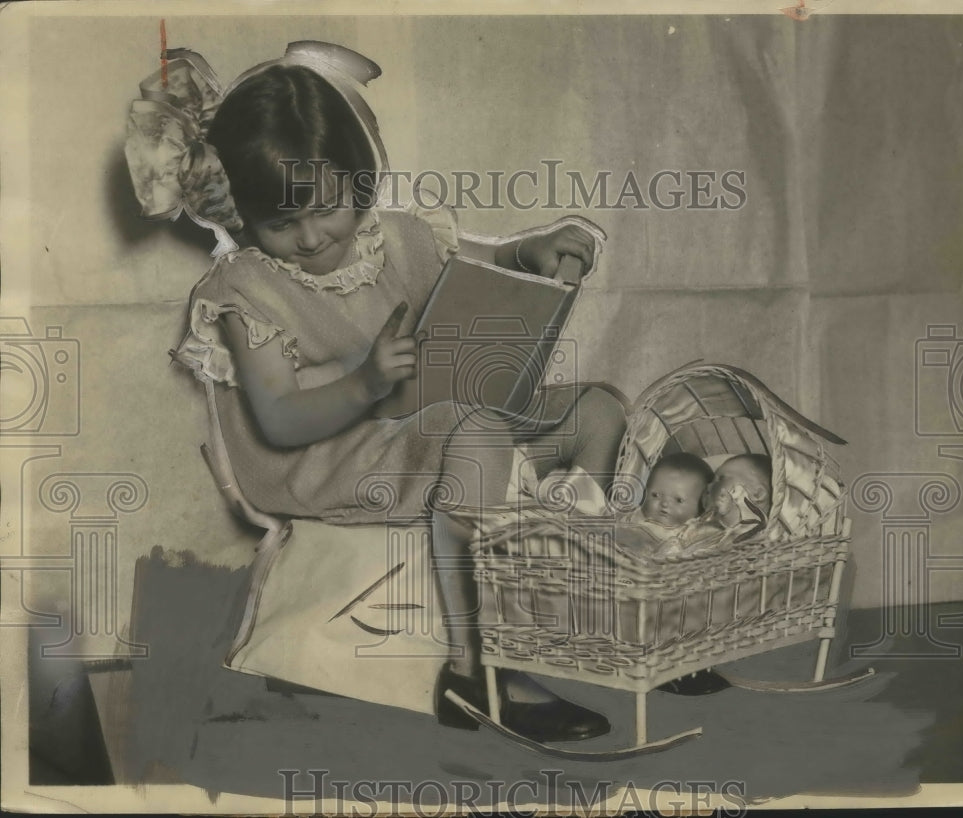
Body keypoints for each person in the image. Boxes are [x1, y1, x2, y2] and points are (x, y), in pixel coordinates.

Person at [126, 42, 627, 742]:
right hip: (326, 452)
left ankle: (575, 592)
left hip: (428, 416)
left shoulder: (395, 236)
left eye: (326, 208)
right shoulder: (246, 292)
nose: (309, 237)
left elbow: (479, 259)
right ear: (243, 215)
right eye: (280, 224)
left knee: (597, 410)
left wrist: (530, 253)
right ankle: (474, 667)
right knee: (476, 433)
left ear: (357, 180)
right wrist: (363, 382)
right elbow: (278, 421)